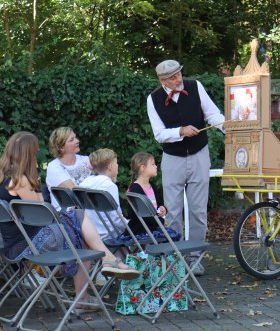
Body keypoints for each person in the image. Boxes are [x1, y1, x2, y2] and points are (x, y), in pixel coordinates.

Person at [0, 131, 140, 313]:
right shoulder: (21, 180)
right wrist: (36, 181)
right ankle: (101, 270)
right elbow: (41, 213)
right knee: (80, 222)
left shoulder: (4, 178)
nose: (36, 156)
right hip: (29, 243)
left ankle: (97, 276)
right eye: (34, 153)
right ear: (28, 154)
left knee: (80, 228)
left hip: (16, 241)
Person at [147, 59, 224, 275]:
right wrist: (180, 131)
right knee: (172, 212)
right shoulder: (153, 99)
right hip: (172, 158)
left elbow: (213, 115)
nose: (178, 79)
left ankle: (195, 259)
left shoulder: (195, 86)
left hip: (200, 154)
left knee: (198, 211)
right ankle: (174, 260)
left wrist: (231, 128)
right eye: (172, 77)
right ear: (162, 81)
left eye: (179, 73)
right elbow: (159, 134)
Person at [127, 152, 179, 241]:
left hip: (152, 225)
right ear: (143, 168)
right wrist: (161, 222)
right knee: (172, 236)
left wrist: (162, 208)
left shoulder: (152, 186)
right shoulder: (135, 188)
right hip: (140, 228)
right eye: (153, 164)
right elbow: (137, 214)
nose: (156, 166)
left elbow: (155, 205)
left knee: (173, 235)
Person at [79, 148, 129, 240]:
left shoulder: (84, 184)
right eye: (116, 163)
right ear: (110, 166)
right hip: (110, 234)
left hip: (89, 234)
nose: (117, 165)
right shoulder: (109, 186)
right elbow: (116, 219)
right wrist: (130, 226)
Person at [46, 127, 92, 210]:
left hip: (89, 208)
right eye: (71, 140)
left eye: (75, 137)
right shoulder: (54, 167)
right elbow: (75, 191)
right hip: (67, 215)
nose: (77, 141)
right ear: (61, 147)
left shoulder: (86, 160)